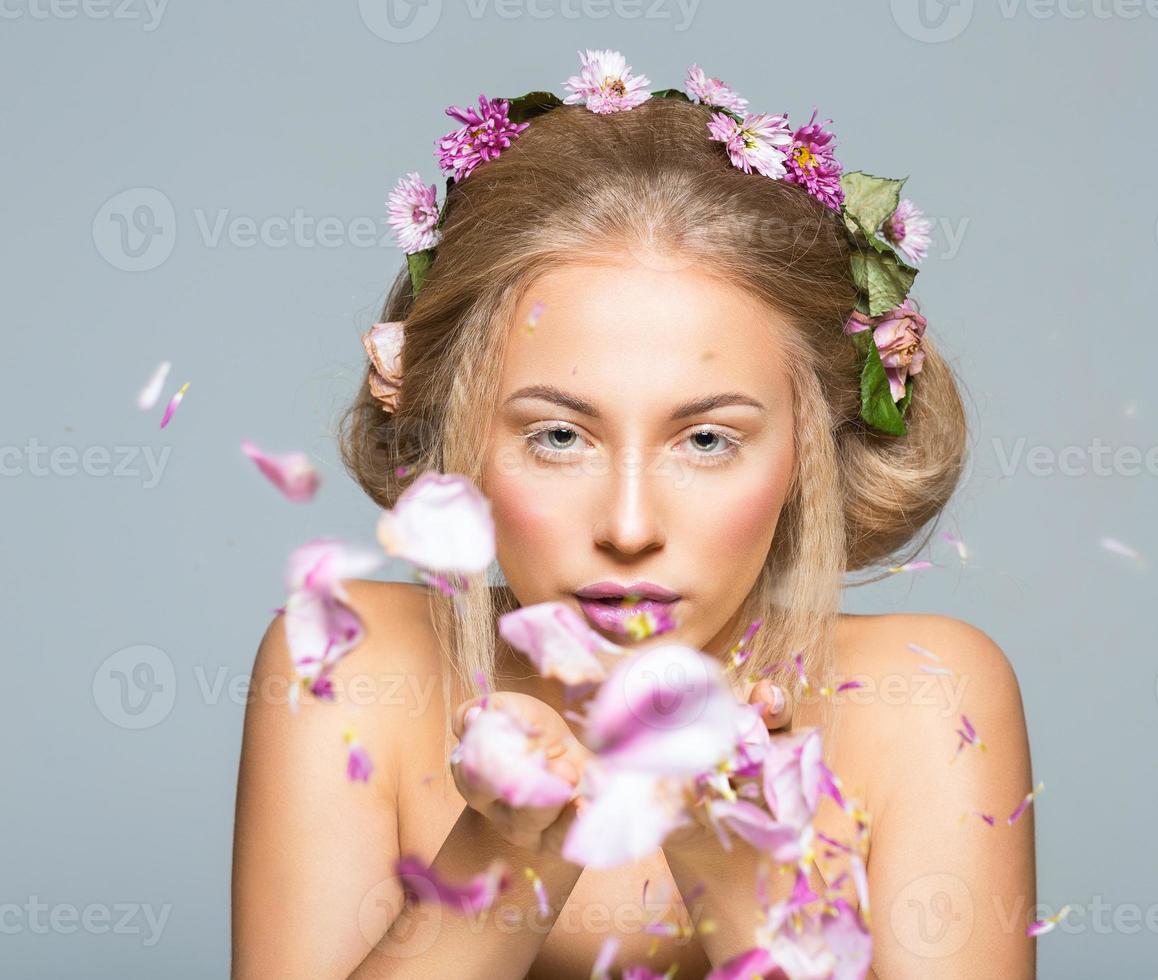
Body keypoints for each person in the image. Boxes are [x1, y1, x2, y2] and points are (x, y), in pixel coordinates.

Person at [231, 57, 1035, 979]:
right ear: (458, 440)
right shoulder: (346, 664)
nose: (626, 525)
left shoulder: (930, 693)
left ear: (809, 452)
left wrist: (719, 845)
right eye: (560, 435)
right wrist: (516, 842)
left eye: (705, 442)